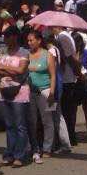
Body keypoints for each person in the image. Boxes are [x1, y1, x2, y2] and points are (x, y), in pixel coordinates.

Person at [0, 27, 30, 167]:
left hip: (19, 92)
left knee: (20, 125)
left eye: (7, 36)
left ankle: (20, 155)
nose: (5, 39)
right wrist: (10, 72)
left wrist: (4, 68)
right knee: (9, 125)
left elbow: (21, 70)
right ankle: (9, 154)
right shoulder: (1, 51)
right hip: (4, 90)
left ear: (14, 37)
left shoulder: (24, 52)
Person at [24, 29, 55, 162]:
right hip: (30, 92)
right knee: (32, 121)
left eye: (32, 40)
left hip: (46, 90)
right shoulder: (26, 55)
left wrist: (52, 92)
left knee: (47, 121)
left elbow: (53, 75)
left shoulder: (47, 55)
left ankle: (47, 148)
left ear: (39, 40)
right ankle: (34, 147)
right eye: (28, 40)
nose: (29, 43)